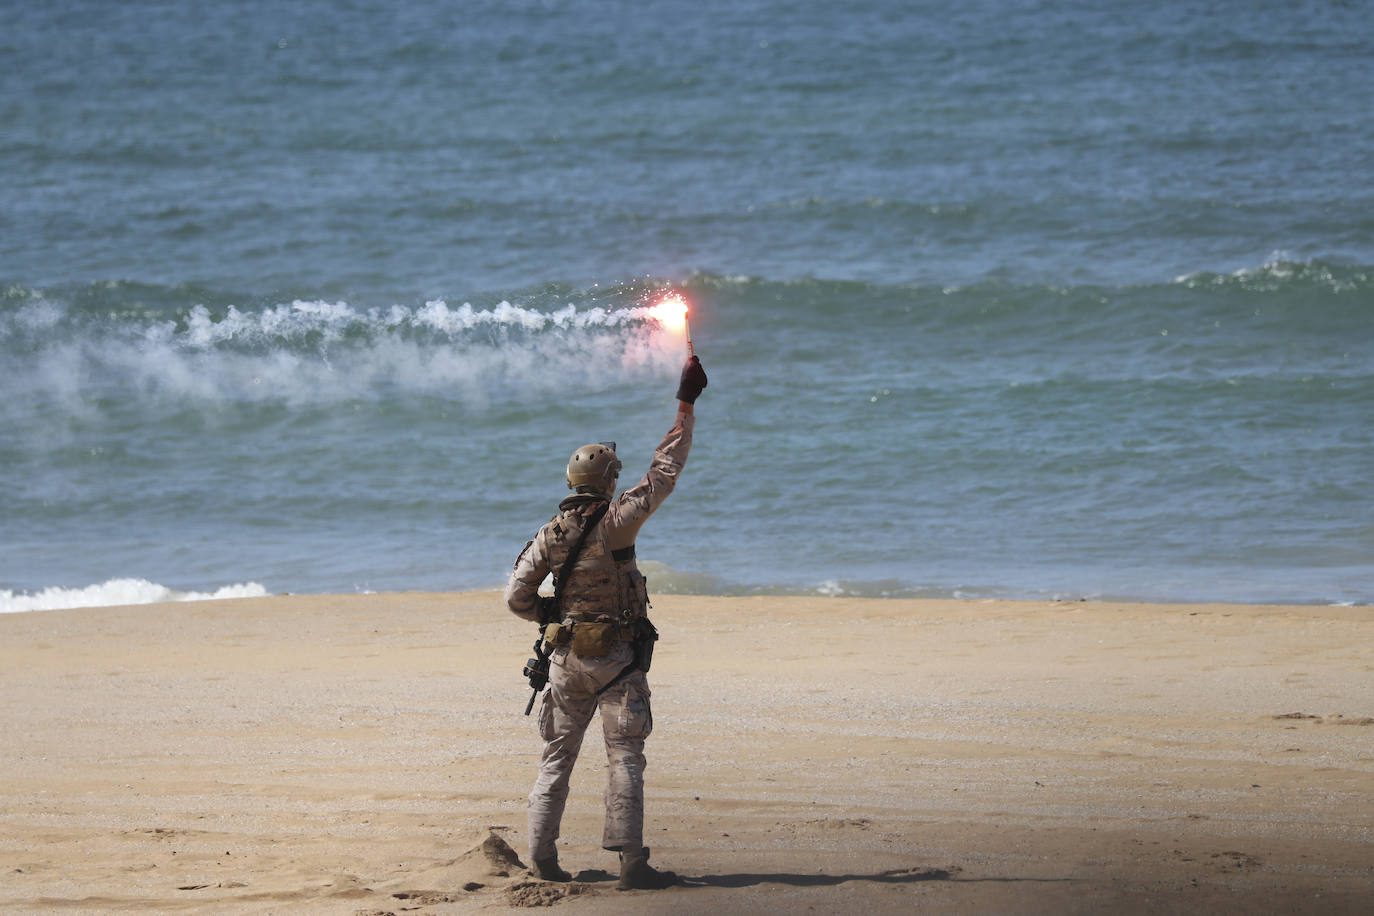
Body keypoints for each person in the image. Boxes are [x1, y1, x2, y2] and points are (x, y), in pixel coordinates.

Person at [504, 355, 708, 891]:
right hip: (618, 660)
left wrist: (555, 616)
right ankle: (631, 866)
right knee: (625, 759)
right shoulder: (617, 523)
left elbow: (517, 596)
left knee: (556, 760)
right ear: (608, 481)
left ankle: (542, 860)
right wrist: (685, 406)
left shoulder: (550, 533)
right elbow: (665, 472)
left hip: (567, 660)